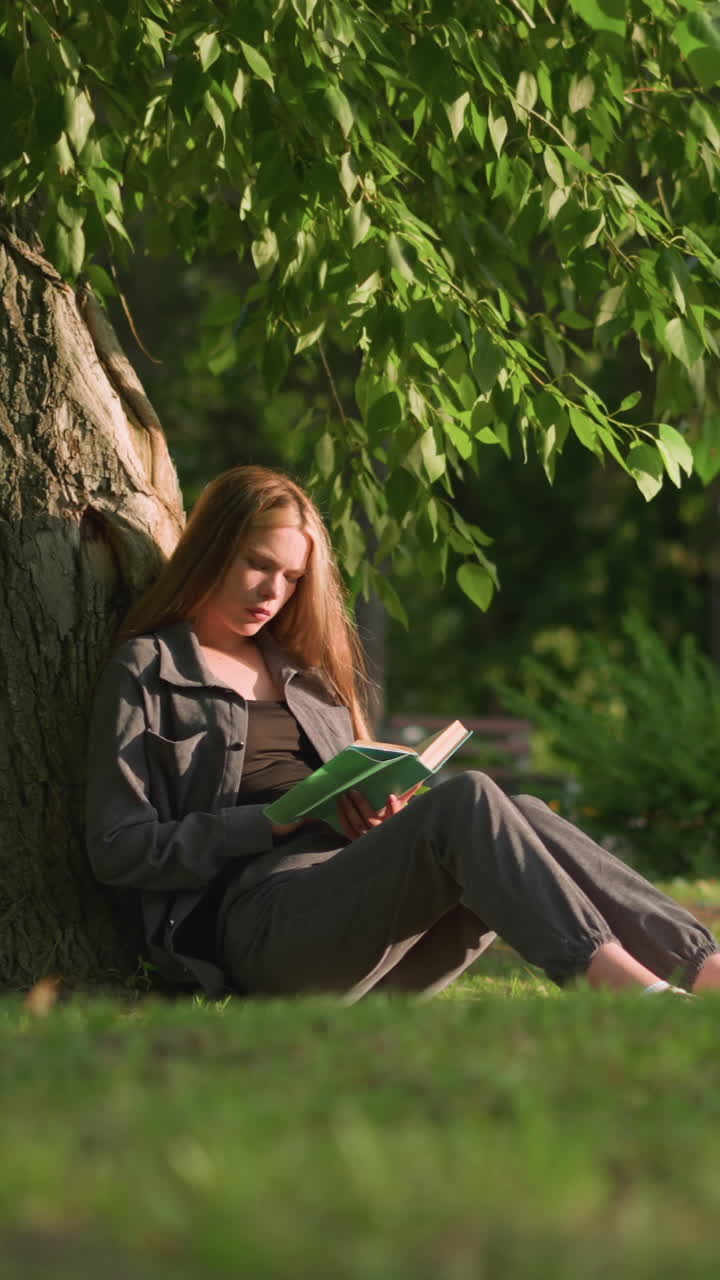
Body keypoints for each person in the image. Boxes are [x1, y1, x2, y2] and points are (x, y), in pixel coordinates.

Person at [85, 465, 720, 1001]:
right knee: (469, 796)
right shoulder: (149, 669)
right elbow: (118, 848)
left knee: (521, 809)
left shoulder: (306, 679)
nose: (273, 591)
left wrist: (375, 818)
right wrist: (270, 823)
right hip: (262, 930)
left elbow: (357, 826)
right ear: (213, 549)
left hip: (370, 933)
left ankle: (705, 969)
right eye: (258, 565)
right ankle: (628, 991)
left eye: (293, 578)